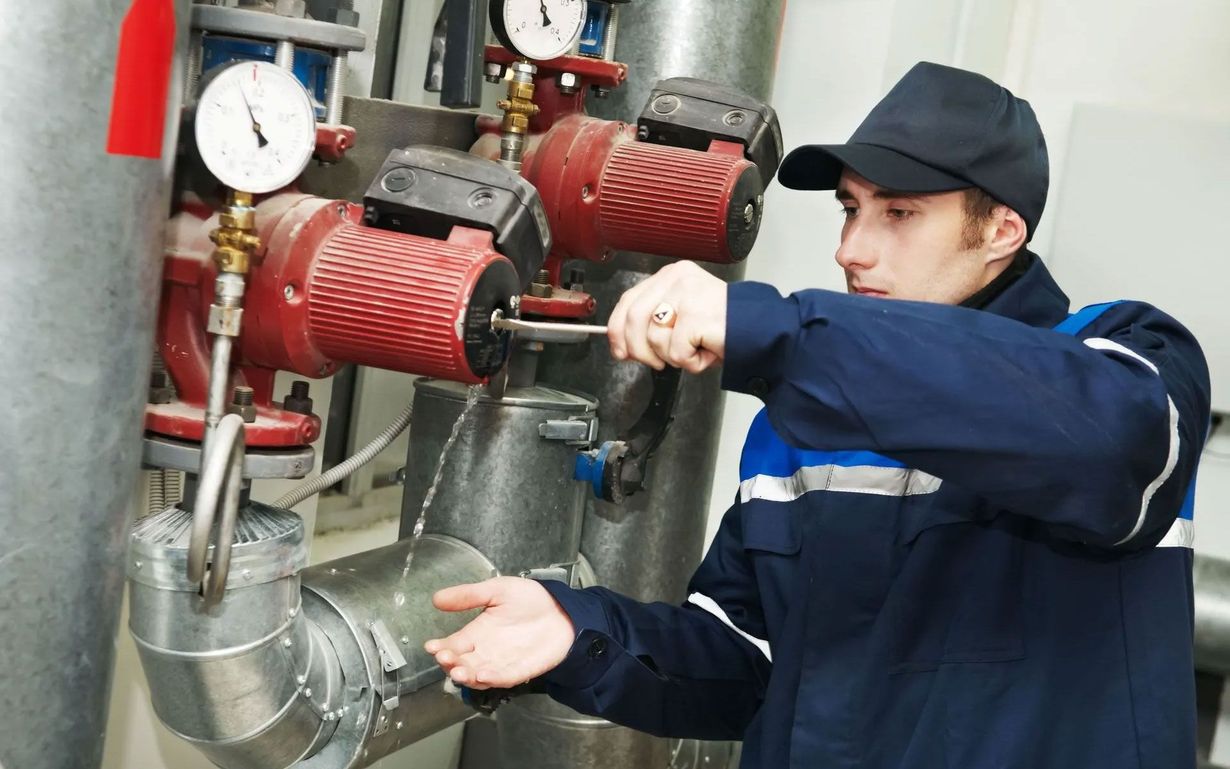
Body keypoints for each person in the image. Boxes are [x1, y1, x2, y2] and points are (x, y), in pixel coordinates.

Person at [424, 62, 1212, 769]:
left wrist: (778, 334)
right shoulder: (801, 425)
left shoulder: (1121, 360)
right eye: (849, 209)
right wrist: (581, 635)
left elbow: (1101, 444)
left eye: (898, 214)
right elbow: (747, 657)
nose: (851, 250)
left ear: (1001, 230)